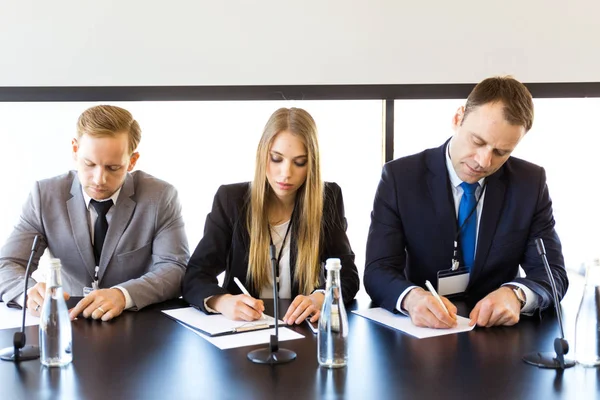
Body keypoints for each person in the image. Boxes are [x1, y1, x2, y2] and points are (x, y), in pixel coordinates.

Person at [364, 76, 568, 328]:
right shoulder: (400, 178)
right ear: (458, 118)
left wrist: (516, 295)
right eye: (478, 141)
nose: (483, 161)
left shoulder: (530, 184)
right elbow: (378, 270)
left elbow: (553, 274)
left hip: (497, 338)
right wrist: (411, 298)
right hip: (421, 334)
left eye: (501, 152)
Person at [0, 105, 189, 321]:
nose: (99, 179)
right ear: (74, 149)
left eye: (113, 168)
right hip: (69, 319)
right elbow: (6, 265)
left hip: (137, 321)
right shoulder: (45, 195)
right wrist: (28, 294)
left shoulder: (160, 196)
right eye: (89, 164)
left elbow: (175, 268)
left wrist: (123, 295)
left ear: (132, 161)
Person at [183, 107, 359, 325]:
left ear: (312, 164)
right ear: (262, 154)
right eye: (276, 159)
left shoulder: (328, 199)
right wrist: (222, 301)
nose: (286, 173)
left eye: (300, 162)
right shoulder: (231, 200)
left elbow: (348, 276)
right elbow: (195, 275)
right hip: (243, 332)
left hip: (302, 330)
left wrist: (321, 297)